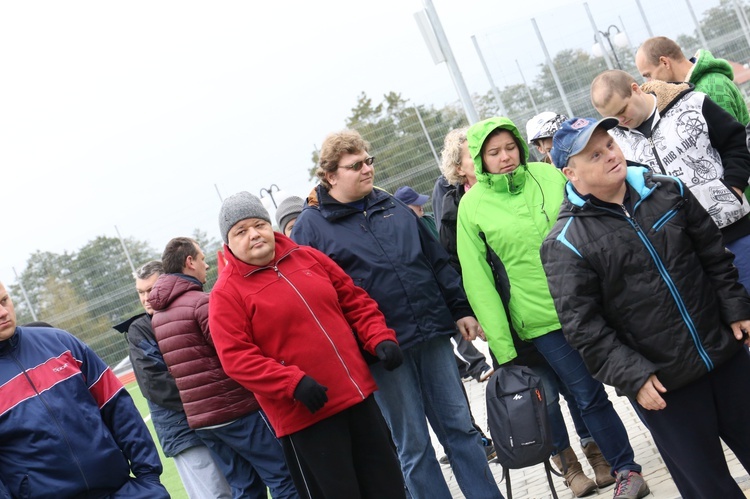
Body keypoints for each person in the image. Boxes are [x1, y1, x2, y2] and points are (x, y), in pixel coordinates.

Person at [542, 116, 750, 499]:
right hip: (665, 386)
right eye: (594, 154)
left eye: (609, 145)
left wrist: (737, 307)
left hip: (727, 355)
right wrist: (632, 376)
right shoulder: (565, 243)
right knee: (710, 489)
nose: (609, 155)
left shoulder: (668, 191)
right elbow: (584, 328)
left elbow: (713, 255)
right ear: (570, 172)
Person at [292, 129, 503, 499]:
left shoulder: (390, 204)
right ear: (330, 176)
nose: (366, 169)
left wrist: (460, 309)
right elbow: (317, 301)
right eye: (354, 165)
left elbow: (435, 262)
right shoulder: (311, 228)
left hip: (433, 335)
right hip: (381, 353)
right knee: (414, 447)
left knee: (461, 431)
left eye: (368, 161)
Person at [456, 116, 649, 499]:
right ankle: (625, 470)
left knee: (620, 382)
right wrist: (504, 349)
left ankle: (634, 458)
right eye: (493, 153)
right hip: (540, 321)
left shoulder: (548, 177)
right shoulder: (471, 207)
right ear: (480, 160)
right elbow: (478, 282)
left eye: (510, 147)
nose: (506, 157)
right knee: (586, 393)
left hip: (589, 303)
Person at [209, 191, 407, 499]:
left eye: (258, 225)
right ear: (228, 242)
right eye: (241, 231)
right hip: (306, 416)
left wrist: (378, 336)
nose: (254, 234)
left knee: (389, 488)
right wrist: (291, 382)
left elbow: (354, 300)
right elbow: (236, 358)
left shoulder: (308, 258)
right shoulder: (226, 293)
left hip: (357, 397)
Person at [149, 237, 298, 499]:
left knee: (244, 486)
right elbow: (229, 352)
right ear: (189, 262)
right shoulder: (201, 302)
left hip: (203, 420)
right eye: (203, 259)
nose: (207, 266)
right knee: (282, 475)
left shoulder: (159, 316)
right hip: (237, 410)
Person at [0, 281, 170, 498]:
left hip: (121, 491)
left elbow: (118, 407)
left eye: (4, 300)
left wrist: (149, 478)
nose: (3, 312)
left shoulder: (60, 342)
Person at [590, 69, 750, 292]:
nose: (621, 120)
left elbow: (736, 143)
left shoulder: (692, 103)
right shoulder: (615, 141)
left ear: (635, 88)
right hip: (683, 252)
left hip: (735, 232)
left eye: (622, 110)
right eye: (612, 117)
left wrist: (732, 189)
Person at [114, 260, 232, 499]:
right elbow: (155, 385)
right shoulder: (140, 329)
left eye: (151, 289)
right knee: (215, 495)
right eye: (141, 292)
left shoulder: (190, 309)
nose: (146, 298)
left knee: (241, 487)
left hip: (220, 418)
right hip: (183, 430)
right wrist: (206, 399)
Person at [634, 36, 750, 125]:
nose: (649, 82)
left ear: (665, 62)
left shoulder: (711, 87)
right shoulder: (685, 92)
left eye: (648, 75)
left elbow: (730, 144)